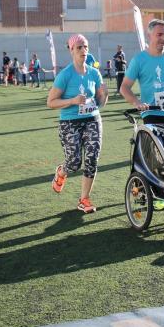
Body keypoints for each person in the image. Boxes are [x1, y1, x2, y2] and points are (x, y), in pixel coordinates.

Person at [47, 34, 108, 214]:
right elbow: (51, 102)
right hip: (70, 122)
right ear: (71, 50)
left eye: (86, 47)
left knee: (91, 160)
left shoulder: (94, 73)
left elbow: (101, 103)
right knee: (74, 163)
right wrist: (73, 101)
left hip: (92, 120)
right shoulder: (65, 75)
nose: (83, 50)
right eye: (79, 47)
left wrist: (105, 94)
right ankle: (61, 172)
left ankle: (84, 199)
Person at [121, 19, 164, 124]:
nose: (163, 38)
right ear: (149, 35)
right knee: (157, 140)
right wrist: (137, 103)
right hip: (150, 113)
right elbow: (124, 87)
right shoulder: (139, 59)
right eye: (159, 34)